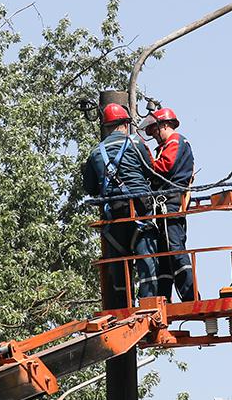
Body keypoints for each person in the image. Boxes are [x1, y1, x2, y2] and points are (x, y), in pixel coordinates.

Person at [82, 102, 159, 307]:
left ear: (106, 127)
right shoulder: (136, 143)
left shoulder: (95, 152)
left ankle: (122, 306)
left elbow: (90, 187)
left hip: (114, 215)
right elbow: (151, 172)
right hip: (140, 210)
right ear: (125, 124)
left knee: (118, 263)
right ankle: (149, 304)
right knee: (147, 258)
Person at [144, 107, 196, 303]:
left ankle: (190, 296)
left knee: (174, 248)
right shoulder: (172, 144)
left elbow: (165, 166)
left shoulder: (174, 142)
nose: (154, 136)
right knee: (164, 252)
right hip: (168, 202)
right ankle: (163, 297)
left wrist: (146, 163)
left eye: (155, 131)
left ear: (164, 125)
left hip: (170, 202)